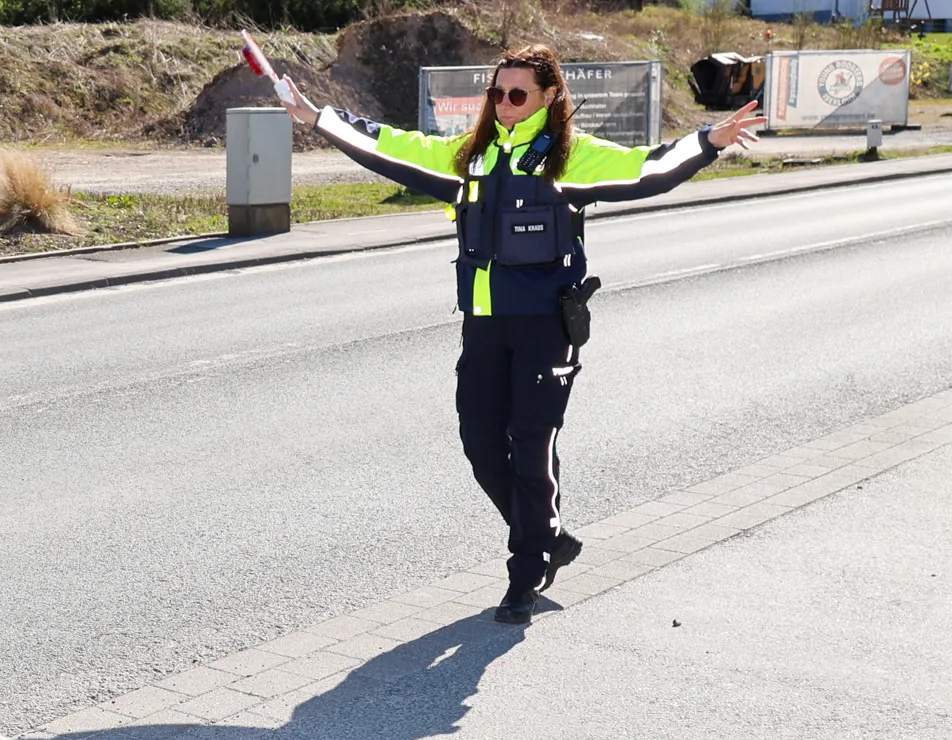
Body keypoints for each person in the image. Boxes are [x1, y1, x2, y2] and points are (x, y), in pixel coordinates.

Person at [271, 42, 763, 622]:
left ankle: (525, 571)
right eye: (497, 93)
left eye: (517, 94)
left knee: (531, 448)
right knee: (481, 446)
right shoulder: (471, 155)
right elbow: (395, 146)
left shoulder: (570, 157)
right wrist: (319, 118)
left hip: (542, 329)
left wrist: (707, 142)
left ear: (549, 96)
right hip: (482, 326)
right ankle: (548, 534)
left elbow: (646, 168)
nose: (504, 104)